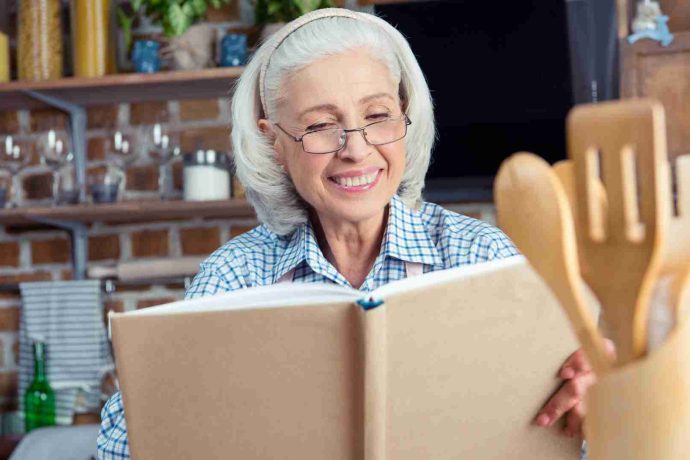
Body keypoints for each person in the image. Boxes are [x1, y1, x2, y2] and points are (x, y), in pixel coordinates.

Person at [97, 8, 595, 459]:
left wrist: (596, 403)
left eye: (377, 116)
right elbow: (118, 448)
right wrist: (171, 399)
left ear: (406, 117)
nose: (355, 149)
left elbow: (574, 435)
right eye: (320, 126)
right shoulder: (236, 276)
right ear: (275, 145)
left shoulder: (481, 255)